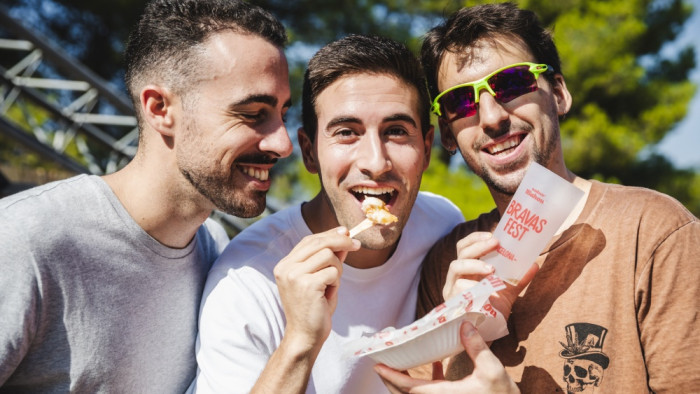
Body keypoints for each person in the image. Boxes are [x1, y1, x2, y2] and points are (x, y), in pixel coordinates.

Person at [378, 2, 700, 392]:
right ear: (447, 134)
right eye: (461, 101)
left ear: (559, 94)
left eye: (512, 83)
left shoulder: (654, 230)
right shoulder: (447, 263)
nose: (492, 117)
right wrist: (461, 328)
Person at [0, 0, 293, 392]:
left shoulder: (217, 255)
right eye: (254, 113)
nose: (284, 143)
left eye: (283, 115)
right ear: (160, 108)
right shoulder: (23, 240)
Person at [190, 34, 466, 393]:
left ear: (426, 149)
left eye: (396, 132)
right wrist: (300, 342)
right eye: (347, 133)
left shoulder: (443, 223)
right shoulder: (246, 281)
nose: (376, 163)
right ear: (309, 152)